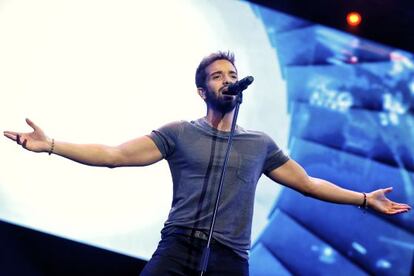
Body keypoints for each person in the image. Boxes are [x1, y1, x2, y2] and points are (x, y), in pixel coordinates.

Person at [3, 51, 411, 276]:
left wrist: (362, 199)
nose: (227, 79)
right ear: (203, 90)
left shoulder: (258, 144)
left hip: (230, 262)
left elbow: (308, 183)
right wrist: (52, 144)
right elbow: (115, 156)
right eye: (217, 76)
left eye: (231, 73)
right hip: (178, 247)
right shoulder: (180, 132)